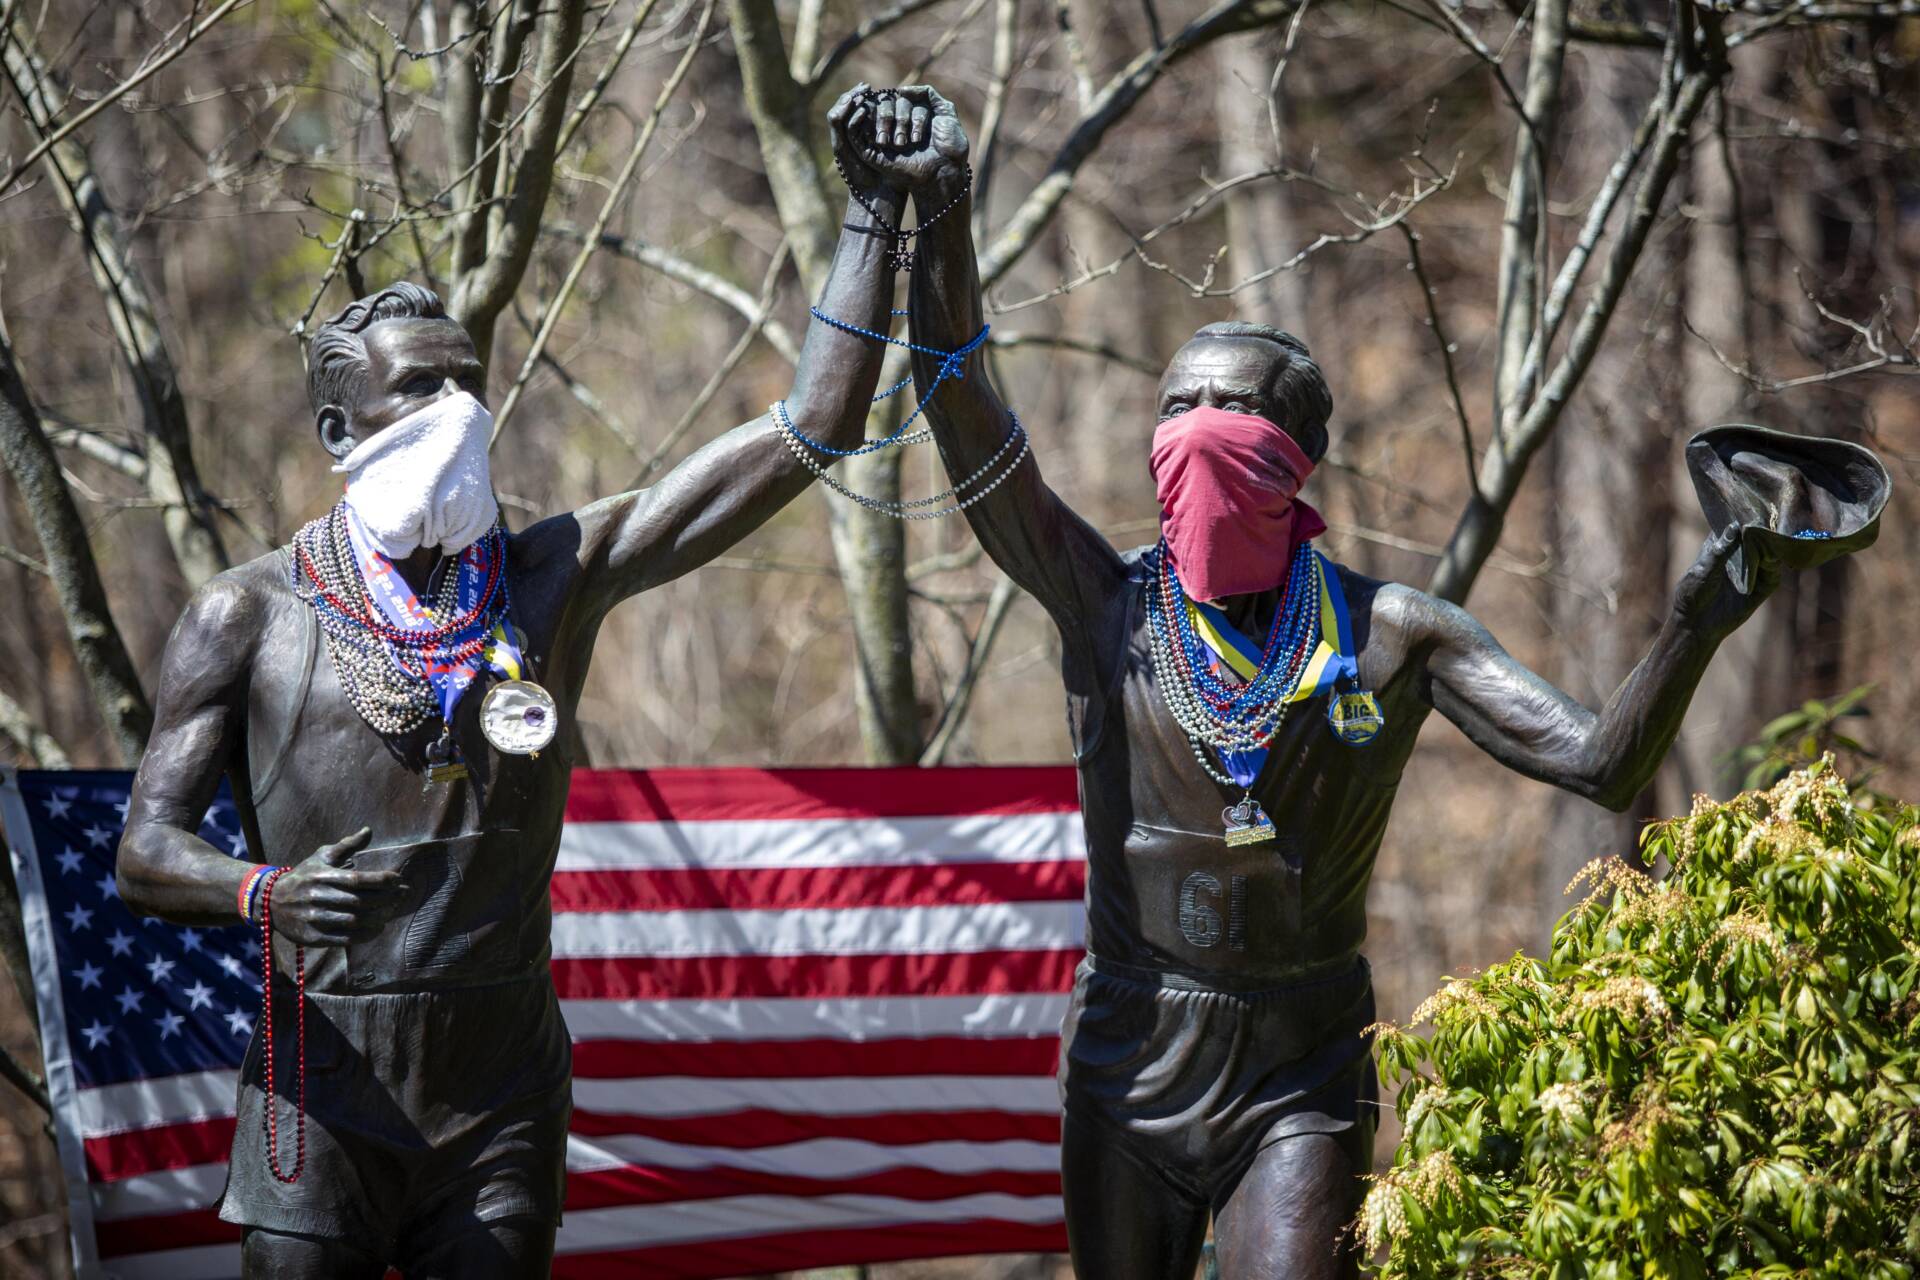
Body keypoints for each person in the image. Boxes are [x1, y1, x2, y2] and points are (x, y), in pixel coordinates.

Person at [841, 86, 1888, 1279]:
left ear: (1293, 458)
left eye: (1231, 408)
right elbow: (965, 415)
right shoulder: (1107, 602)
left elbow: (1604, 762)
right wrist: (943, 215)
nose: (1195, 430)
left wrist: (1704, 609)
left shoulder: (1393, 631)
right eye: (1176, 407)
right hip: (1132, 1050)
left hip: (1300, 1062)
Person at [114, 86, 918, 1280]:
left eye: (465, 383)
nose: (457, 414)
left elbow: (812, 424)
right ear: (341, 430)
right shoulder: (248, 611)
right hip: (320, 1085)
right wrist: (260, 891)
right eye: (418, 392)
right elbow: (144, 850)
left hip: (500, 1092)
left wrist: (873, 219)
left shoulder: (548, 577)